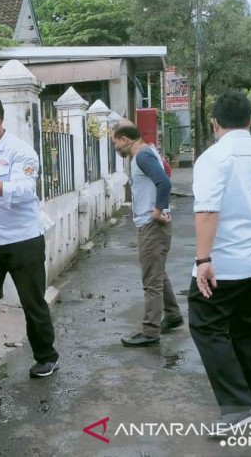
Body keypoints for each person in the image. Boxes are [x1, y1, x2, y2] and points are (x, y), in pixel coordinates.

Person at [189, 91, 251, 434]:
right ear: (250, 121)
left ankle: (240, 406)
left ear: (214, 123)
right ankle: (242, 404)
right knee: (248, 332)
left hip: (225, 265)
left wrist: (203, 259)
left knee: (206, 326)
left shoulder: (213, 158)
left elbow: (206, 211)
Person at [0, 95, 59, 380]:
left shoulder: (21, 152)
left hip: (23, 240)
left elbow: (24, 192)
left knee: (31, 301)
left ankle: (46, 357)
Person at [111, 124, 183, 347]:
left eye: (115, 142)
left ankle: (150, 331)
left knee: (151, 279)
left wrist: (158, 211)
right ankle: (173, 315)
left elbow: (164, 182)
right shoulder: (146, 152)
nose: (115, 146)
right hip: (152, 224)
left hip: (152, 225)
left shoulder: (142, 156)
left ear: (124, 139)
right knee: (158, 273)